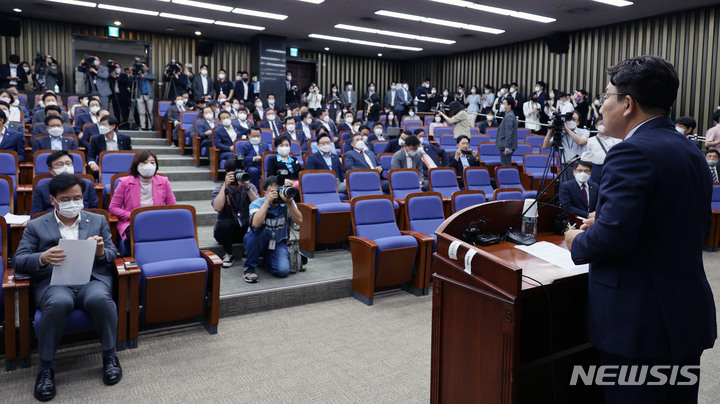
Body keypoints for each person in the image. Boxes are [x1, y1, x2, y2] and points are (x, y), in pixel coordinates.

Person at [565, 56, 716, 403]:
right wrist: (605, 220)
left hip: (639, 323)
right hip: (683, 315)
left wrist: (579, 238)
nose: (601, 106)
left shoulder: (631, 152)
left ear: (628, 103)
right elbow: (693, 226)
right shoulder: (692, 150)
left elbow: (610, 241)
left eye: (606, 96)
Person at [12, 174, 122, 401]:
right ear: (53, 200)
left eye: (78, 198)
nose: (73, 203)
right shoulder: (36, 225)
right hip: (54, 282)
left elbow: (113, 254)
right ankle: (46, 368)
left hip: (90, 279)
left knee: (101, 298)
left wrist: (101, 252)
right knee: (59, 302)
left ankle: (110, 356)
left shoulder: (97, 220)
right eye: (66, 199)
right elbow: (18, 260)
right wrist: (42, 257)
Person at [108, 150, 177, 252]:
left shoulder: (164, 181)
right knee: (138, 235)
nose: (149, 165)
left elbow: (172, 206)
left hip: (157, 220)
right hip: (133, 221)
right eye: (144, 162)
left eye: (152, 162)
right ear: (136, 165)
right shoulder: (124, 182)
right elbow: (113, 207)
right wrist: (131, 215)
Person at [242, 176, 303, 283]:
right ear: (265, 192)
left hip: (277, 242)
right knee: (256, 233)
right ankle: (249, 268)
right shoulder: (257, 203)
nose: (276, 194)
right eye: (272, 191)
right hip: (257, 240)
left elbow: (299, 221)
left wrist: (289, 203)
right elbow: (255, 224)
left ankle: (266, 259)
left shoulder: (287, 202)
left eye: (278, 190)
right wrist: (267, 202)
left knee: (283, 271)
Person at [212, 157, 260, 267]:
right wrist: (225, 185)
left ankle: (247, 250)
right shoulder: (220, 188)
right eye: (233, 172)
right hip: (225, 232)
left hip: (243, 229)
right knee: (225, 223)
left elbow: (259, 207)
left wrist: (248, 188)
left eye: (240, 171)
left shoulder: (249, 187)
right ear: (227, 174)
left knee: (256, 220)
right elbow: (217, 208)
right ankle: (228, 253)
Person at [30, 150, 99, 216]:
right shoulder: (41, 188)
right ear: (51, 170)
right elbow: (36, 215)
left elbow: (94, 210)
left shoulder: (87, 185)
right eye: (60, 164)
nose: (65, 167)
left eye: (68, 163)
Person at [583, 119, 621, 184]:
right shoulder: (590, 140)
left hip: (612, 166)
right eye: (601, 124)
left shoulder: (617, 139)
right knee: (597, 186)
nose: (603, 126)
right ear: (596, 126)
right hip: (596, 167)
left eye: (605, 124)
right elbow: (587, 156)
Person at [495, 98, 518, 166]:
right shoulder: (509, 115)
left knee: (506, 165)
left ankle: (507, 176)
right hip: (506, 145)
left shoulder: (509, 116)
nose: (502, 105)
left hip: (506, 146)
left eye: (504, 103)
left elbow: (509, 133)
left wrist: (507, 146)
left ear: (509, 106)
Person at [133, 63, 155, 131]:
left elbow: (154, 78)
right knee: (141, 112)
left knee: (150, 112)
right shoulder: (138, 75)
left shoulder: (150, 74)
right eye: (142, 67)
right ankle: (143, 126)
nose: (143, 68)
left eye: (144, 67)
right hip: (140, 95)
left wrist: (144, 76)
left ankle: (150, 126)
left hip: (149, 95)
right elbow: (133, 80)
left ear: (147, 68)